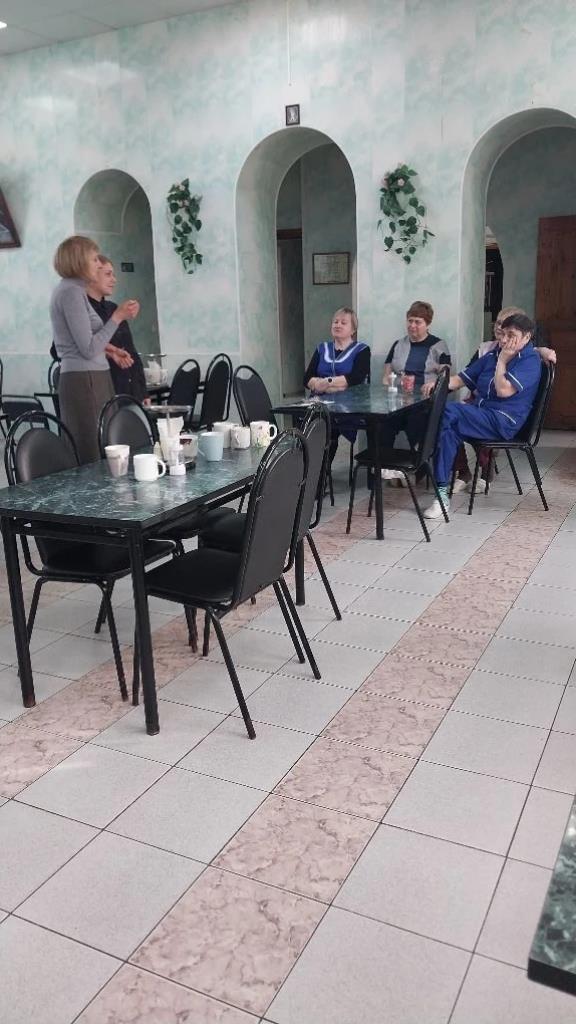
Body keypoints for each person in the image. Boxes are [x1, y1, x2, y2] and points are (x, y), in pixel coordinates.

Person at [423, 312, 542, 519]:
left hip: (504, 422)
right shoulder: (492, 355)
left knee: (447, 411)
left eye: (511, 335)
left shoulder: (529, 360)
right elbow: (460, 380)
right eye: (503, 334)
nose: (504, 340)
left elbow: (503, 390)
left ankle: (421, 459)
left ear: (526, 337)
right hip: (482, 415)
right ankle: (441, 495)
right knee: (448, 430)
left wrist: (502, 361)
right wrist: (438, 384)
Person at [49, 235, 138, 464]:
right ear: (79, 261)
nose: (98, 264)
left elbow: (86, 340)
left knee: (106, 443)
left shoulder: (74, 290)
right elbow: (88, 349)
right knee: (93, 448)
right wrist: (117, 317)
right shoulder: (70, 293)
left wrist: (111, 351)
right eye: (94, 259)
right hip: (84, 378)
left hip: (93, 375)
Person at [452, 306, 556, 491]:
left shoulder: (524, 355)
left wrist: (541, 350)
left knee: (456, 417)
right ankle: (462, 470)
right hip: (478, 401)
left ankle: (485, 469)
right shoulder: (486, 349)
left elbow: (507, 387)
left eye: (507, 326)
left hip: (503, 414)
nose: (501, 329)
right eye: (498, 323)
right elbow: (465, 376)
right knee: (451, 416)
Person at [381, 301, 451, 484]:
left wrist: (434, 383)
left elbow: (446, 375)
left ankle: (418, 468)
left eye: (418, 322)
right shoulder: (398, 344)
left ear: (427, 323)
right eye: (410, 321)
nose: (412, 326)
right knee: (382, 422)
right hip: (399, 400)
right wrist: (392, 382)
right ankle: (385, 467)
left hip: (424, 402)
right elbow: (386, 376)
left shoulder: (438, 345)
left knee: (417, 421)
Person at [304, 307, 370, 460]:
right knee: (307, 423)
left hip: (349, 405)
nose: (338, 325)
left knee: (328, 426)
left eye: (343, 323)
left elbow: (355, 378)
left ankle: (322, 469)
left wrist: (326, 382)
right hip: (319, 403)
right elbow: (307, 378)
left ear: (353, 330)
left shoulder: (362, 350)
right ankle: (313, 468)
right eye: (335, 322)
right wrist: (318, 384)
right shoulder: (322, 348)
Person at [87, 255, 147, 403]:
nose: (114, 280)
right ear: (92, 275)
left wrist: (142, 391)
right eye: (108, 274)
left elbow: (131, 351)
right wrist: (109, 353)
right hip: (102, 387)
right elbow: (59, 350)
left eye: (113, 275)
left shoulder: (113, 308)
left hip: (128, 389)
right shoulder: (82, 310)